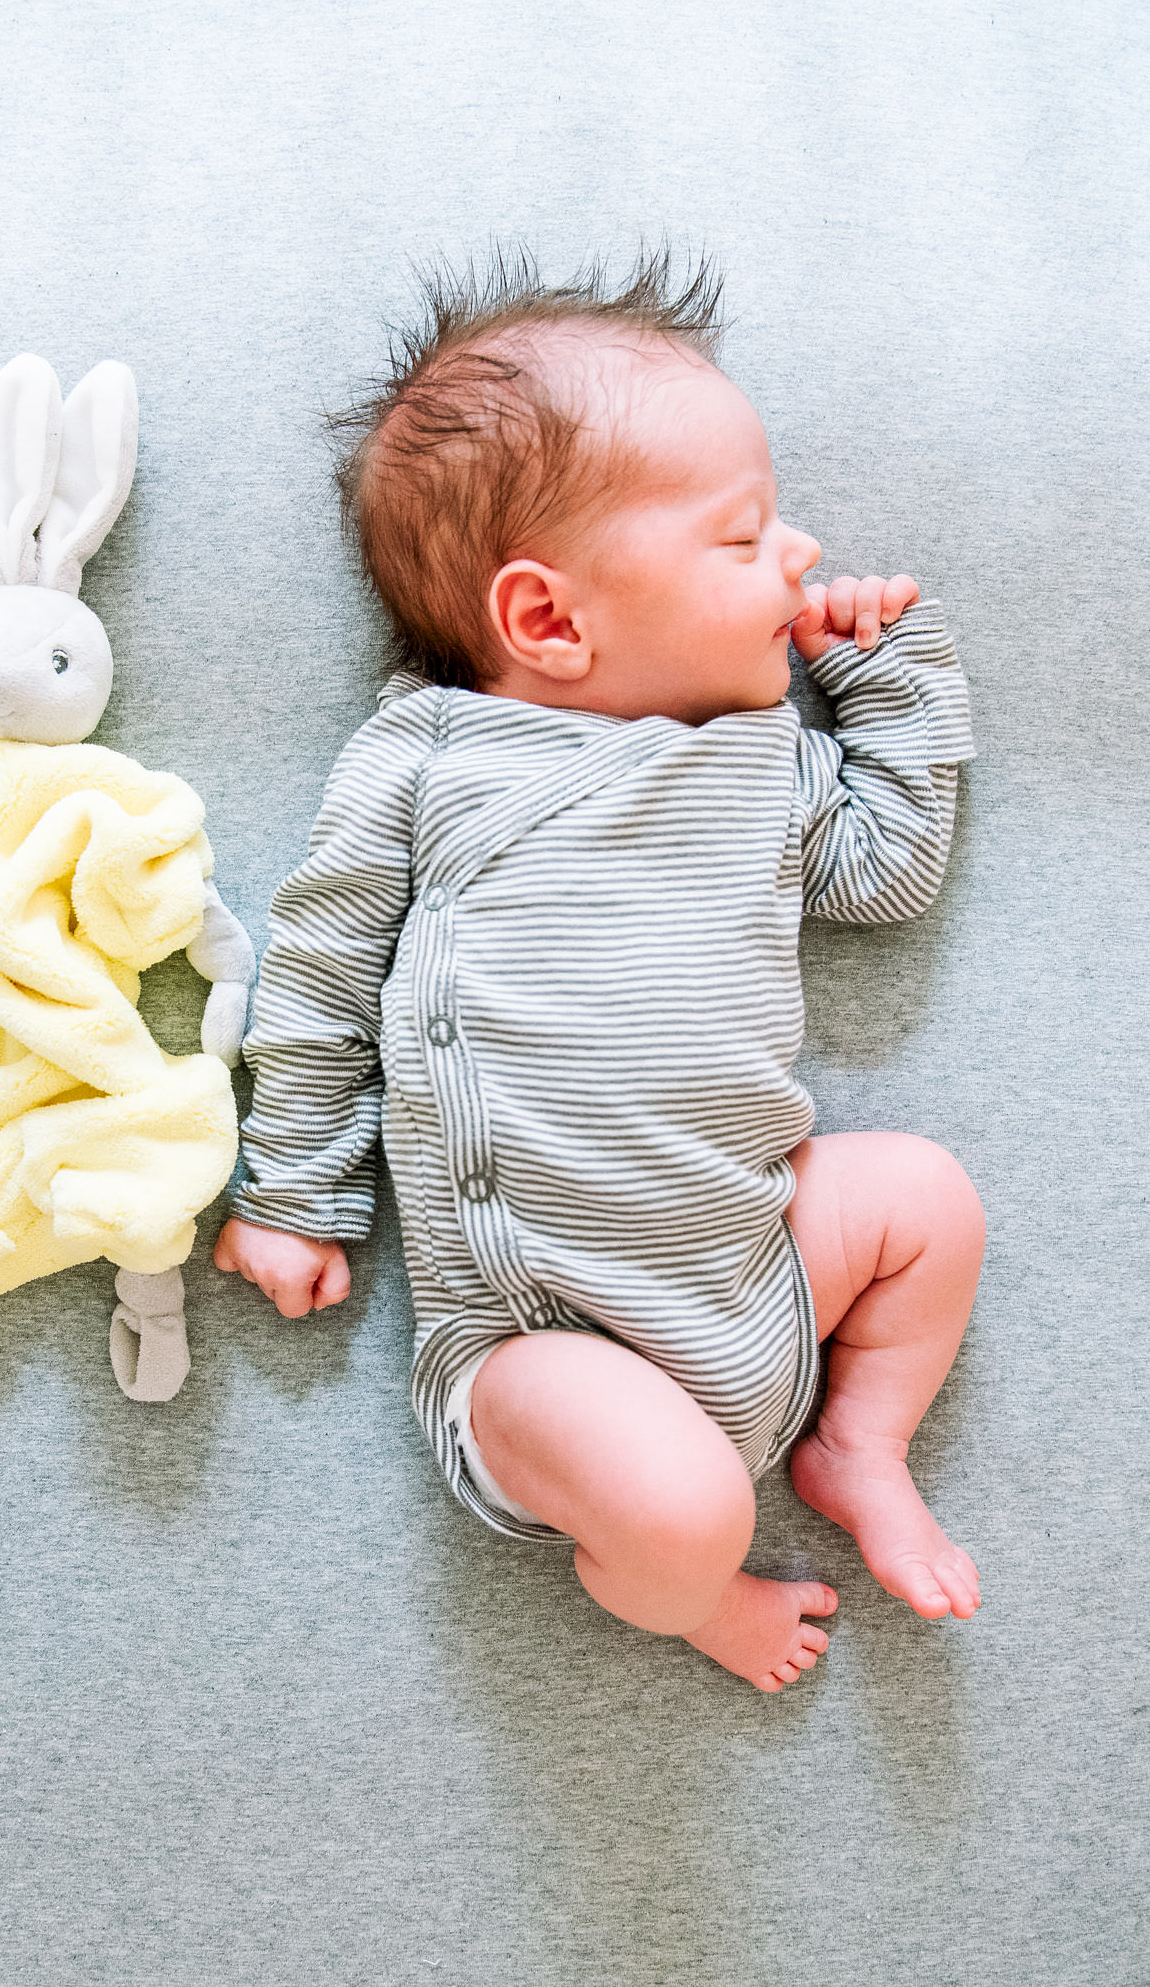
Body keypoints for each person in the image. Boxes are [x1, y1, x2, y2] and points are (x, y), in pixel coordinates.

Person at [214, 251, 985, 1692]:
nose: (800, 553)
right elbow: (322, 965)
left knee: (927, 1200)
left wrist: (885, 676)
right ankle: (692, 1592)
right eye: (744, 536)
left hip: (758, 1263)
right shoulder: (436, 759)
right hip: (544, 1343)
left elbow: (889, 872)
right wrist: (294, 1191)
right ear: (550, 621)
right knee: (687, 1510)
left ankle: (855, 1442)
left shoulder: (763, 765)